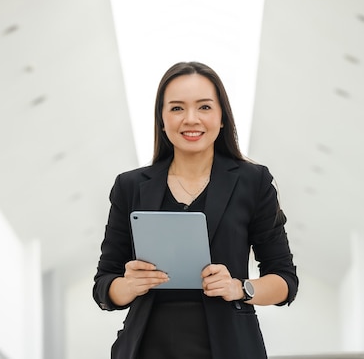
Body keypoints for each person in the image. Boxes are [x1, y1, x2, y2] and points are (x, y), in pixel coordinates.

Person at [93, 61, 298, 359]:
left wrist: (240, 288)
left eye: (204, 107)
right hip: (148, 346)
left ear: (222, 117)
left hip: (229, 346)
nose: (191, 119)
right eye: (177, 108)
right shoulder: (130, 186)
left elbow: (285, 281)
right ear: (161, 119)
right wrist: (128, 285)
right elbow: (104, 285)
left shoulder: (254, 182)